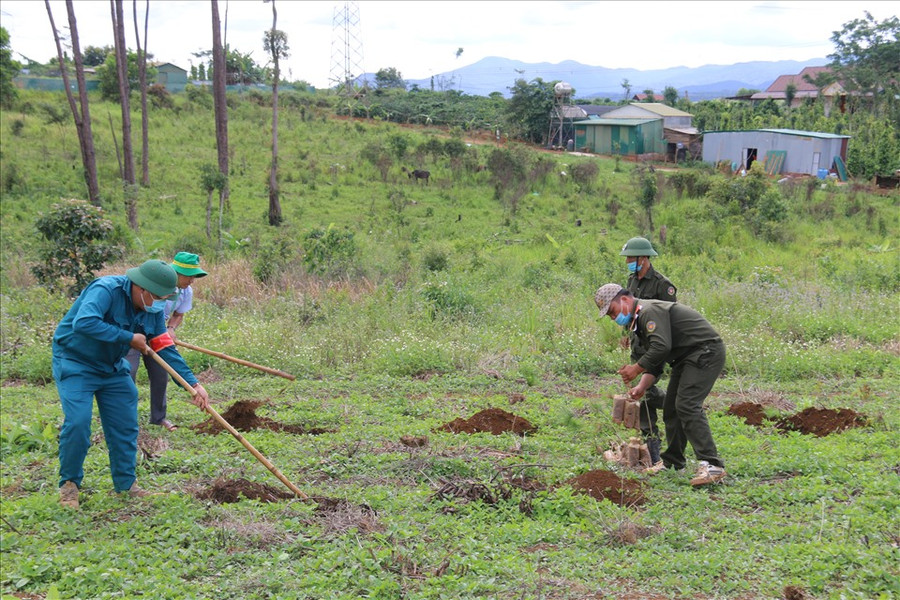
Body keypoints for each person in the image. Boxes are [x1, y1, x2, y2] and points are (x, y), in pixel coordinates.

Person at [53, 259, 210, 509]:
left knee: (125, 425)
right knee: (79, 423)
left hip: (113, 367)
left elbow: (163, 346)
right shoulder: (105, 290)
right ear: (141, 288)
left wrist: (192, 383)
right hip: (77, 362)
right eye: (157, 297)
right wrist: (128, 337)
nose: (160, 303)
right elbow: (83, 322)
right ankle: (69, 486)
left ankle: (126, 486)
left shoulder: (153, 310)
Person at [594, 283, 726, 486]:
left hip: (705, 352)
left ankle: (712, 465)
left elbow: (661, 347)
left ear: (625, 300)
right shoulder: (638, 322)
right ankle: (673, 462)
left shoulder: (648, 311)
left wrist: (635, 369)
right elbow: (656, 360)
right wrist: (642, 386)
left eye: (612, 311)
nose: (614, 318)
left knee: (687, 404)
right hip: (685, 358)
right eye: (610, 316)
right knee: (672, 408)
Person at [126, 252, 208, 432]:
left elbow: (177, 317)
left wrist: (193, 384)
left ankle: (159, 418)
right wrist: (130, 338)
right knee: (127, 372)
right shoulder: (146, 288)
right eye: (189, 275)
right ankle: (126, 419)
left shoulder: (180, 295)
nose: (192, 280)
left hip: (155, 332)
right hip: (130, 335)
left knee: (160, 373)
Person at [619, 236, 677, 467]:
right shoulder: (632, 281)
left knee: (646, 393)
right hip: (638, 345)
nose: (629, 262)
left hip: (656, 348)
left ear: (644, 258)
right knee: (642, 396)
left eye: (632, 258)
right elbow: (629, 309)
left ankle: (677, 405)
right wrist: (626, 334)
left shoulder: (663, 285)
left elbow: (671, 318)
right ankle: (652, 446)